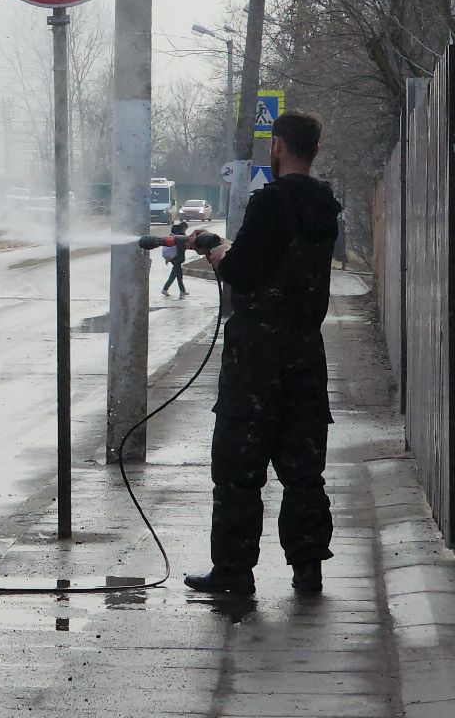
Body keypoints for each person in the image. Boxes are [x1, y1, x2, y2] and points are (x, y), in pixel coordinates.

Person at [184, 111, 342, 596]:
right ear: (314, 150)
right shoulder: (325, 206)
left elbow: (245, 270)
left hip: (256, 359)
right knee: (303, 470)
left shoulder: (269, 202)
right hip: (305, 354)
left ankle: (233, 573)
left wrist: (218, 254)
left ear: (278, 146)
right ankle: (307, 567)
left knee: (238, 470)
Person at [159, 221, 188, 297]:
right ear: (184, 228)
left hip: (173, 257)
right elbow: (180, 247)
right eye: (185, 229)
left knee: (178, 274)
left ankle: (182, 290)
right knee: (175, 274)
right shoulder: (180, 236)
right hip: (176, 257)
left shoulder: (174, 234)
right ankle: (165, 289)